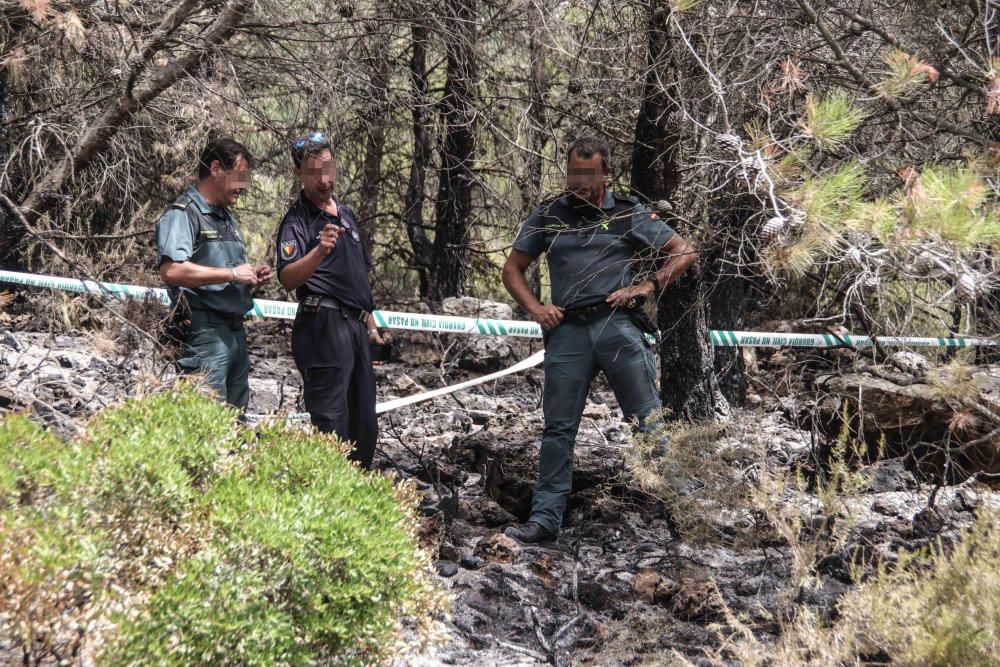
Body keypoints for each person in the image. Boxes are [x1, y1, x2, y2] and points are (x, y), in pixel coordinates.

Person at [501, 136, 698, 543]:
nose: (580, 183)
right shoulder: (548, 215)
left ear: (606, 173)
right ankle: (545, 519)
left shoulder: (629, 213)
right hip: (568, 331)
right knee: (558, 428)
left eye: (588, 176)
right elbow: (512, 269)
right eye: (573, 173)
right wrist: (537, 309)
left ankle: (682, 516)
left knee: (648, 422)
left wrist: (647, 285)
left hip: (618, 326)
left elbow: (683, 251)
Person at [276, 132, 384, 469]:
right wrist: (319, 250)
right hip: (322, 327)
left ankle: (357, 500)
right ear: (299, 175)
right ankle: (329, 498)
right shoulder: (297, 221)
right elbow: (287, 278)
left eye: (328, 169)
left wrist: (372, 323)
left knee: (364, 425)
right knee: (332, 424)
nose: (324, 180)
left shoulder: (347, 215)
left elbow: (358, 277)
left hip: (356, 328)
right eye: (314, 172)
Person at [157, 137, 272, 410]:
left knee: (235, 425)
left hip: (235, 333)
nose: (243, 186)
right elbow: (171, 270)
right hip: (203, 333)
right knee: (205, 424)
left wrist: (250, 276)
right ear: (217, 168)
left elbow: (223, 273)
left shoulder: (227, 218)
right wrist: (232, 274)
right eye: (239, 176)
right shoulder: (184, 213)